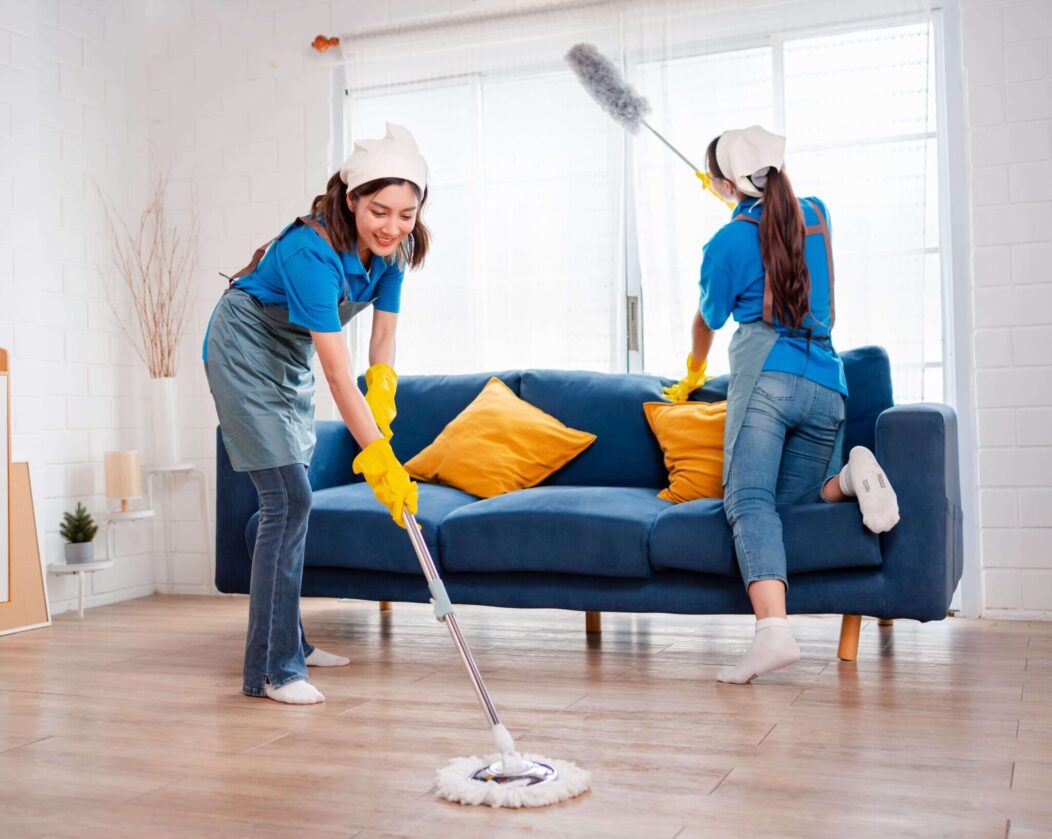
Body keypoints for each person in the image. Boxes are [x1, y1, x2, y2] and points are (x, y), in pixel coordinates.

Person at [664, 125, 900, 684]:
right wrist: (736, 196)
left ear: (723, 183)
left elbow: (710, 317)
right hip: (827, 381)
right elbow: (778, 224)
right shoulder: (815, 213)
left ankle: (772, 633)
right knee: (790, 499)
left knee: (747, 500)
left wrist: (695, 371)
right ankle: (849, 477)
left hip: (767, 377)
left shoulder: (725, 244)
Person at [203, 123, 428, 704]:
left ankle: (293, 643)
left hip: (291, 352)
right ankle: (273, 671)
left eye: (406, 214)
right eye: (380, 211)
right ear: (351, 199)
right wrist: (377, 456)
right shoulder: (311, 251)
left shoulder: (392, 254)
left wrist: (383, 396)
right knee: (288, 498)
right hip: (244, 346)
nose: (392, 227)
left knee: (291, 501)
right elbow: (336, 372)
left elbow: (380, 347)